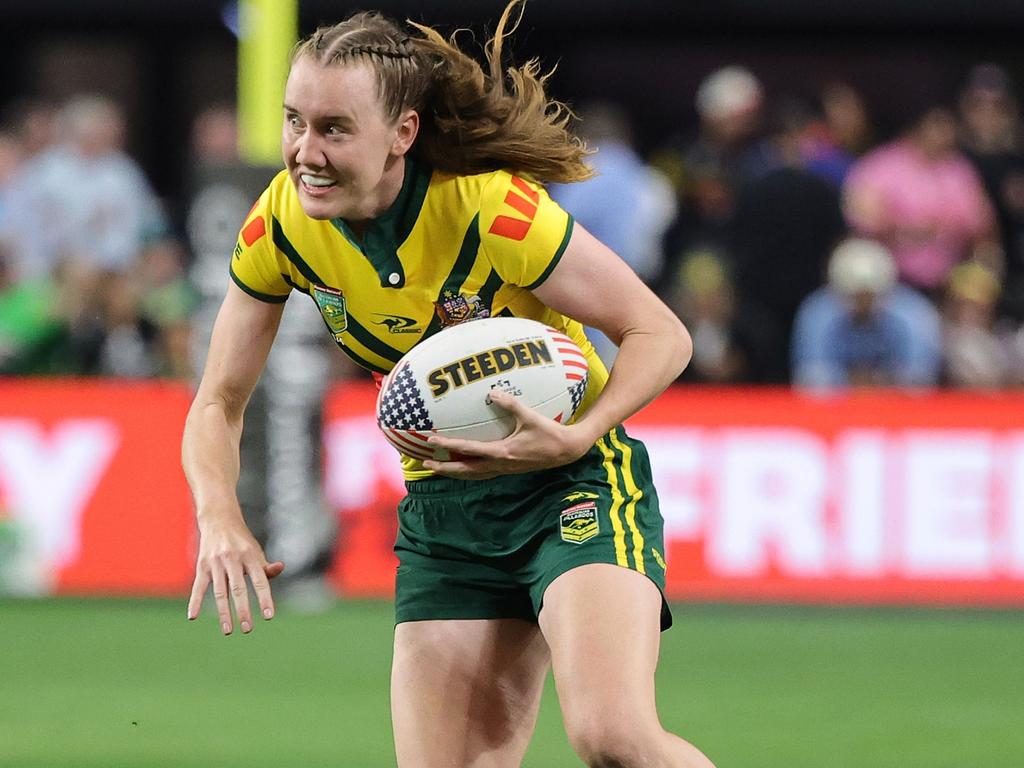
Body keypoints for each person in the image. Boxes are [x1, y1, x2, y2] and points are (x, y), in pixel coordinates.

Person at [181, 3, 713, 767]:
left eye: (335, 128)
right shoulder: (282, 226)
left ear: (403, 132)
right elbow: (216, 403)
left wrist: (578, 434)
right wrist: (219, 515)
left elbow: (662, 333)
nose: (304, 151)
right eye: (295, 121)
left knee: (612, 737)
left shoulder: (488, 206)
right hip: (443, 516)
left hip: (573, 485)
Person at [791, 238, 942, 389]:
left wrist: (874, 385)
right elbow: (811, 378)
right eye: (855, 295)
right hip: (837, 407)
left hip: (894, 405)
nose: (864, 302)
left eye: (870, 295)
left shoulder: (914, 313)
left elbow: (920, 379)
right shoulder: (817, 313)